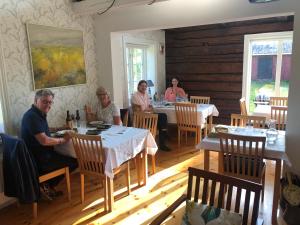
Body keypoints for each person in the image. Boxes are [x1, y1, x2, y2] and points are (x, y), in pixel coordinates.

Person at [21, 89, 78, 200]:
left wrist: (59, 128)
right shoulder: (33, 117)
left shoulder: (36, 113)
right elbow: (45, 141)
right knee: (75, 161)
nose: (48, 105)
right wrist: (63, 139)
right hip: (40, 160)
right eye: (45, 102)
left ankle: (46, 185)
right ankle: (45, 185)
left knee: (66, 155)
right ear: (36, 100)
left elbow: (42, 130)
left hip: (38, 155)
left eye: (50, 102)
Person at [131, 80, 170, 151]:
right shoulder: (135, 95)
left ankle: (163, 137)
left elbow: (150, 107)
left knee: (163, 116)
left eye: (145, 86)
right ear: (138, 86)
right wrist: (147, 109)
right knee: (162, 121)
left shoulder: (146, 94)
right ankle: (163, 138)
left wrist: (147, 109)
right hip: (142, 118)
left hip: (149, 116)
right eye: (142, 86)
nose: (144, 87)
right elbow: (139, 110)